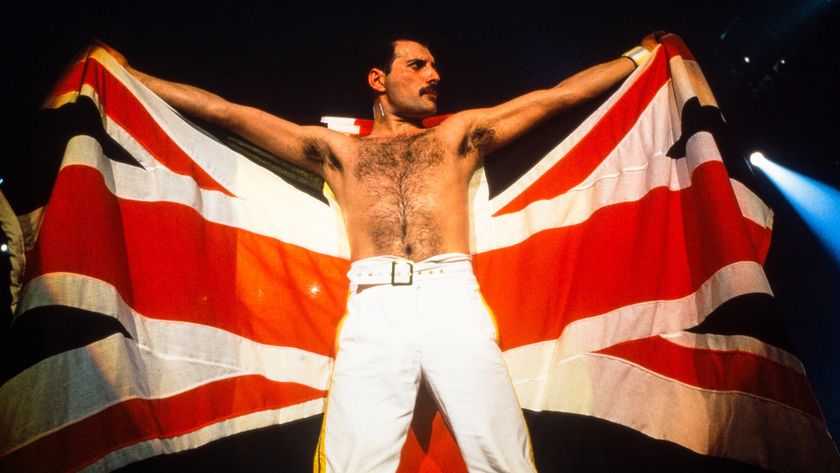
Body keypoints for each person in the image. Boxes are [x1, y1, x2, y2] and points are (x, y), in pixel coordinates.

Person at [105, 33, 659, 472]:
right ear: (379, 78)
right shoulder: (337, 152)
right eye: (418, 65)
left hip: (451, 298)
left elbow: (555, 97)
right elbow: (226, 112)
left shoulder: (457, 137)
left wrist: (637, 58)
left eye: (434, 67)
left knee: (502, 455)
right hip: (374, 304)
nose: (435, 76)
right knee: (354, 463)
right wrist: (126, 75)